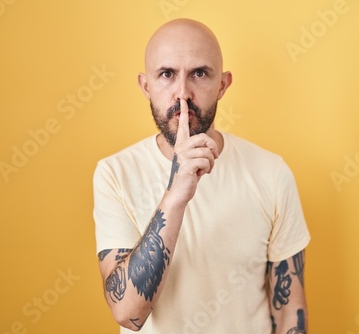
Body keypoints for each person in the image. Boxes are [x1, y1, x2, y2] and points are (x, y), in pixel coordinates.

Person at [93, 18, 310, 334]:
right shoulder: (114, 173)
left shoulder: (271, 173)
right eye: (167, 74)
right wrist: (177, 193)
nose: (183, 94)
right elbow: (128, 312)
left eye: (199, 74)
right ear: (146, 86)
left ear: (222, 85)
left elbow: (290, 311)